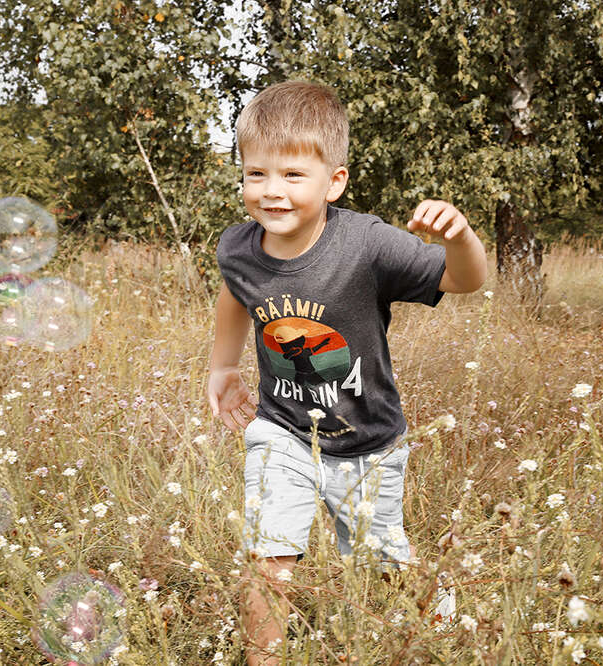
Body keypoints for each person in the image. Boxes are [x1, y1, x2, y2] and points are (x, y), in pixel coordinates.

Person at [207, 80, 488, 665]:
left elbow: (465, 280)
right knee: (267, 556)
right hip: (282, 431)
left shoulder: (368, 244)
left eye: (292, 174)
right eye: (256, 173)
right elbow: (235, 293)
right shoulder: (238, 247)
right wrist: (224, 365)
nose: (271, 190)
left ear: (334, 181)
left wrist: (460, 237)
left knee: (381, 562)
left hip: (367, 442)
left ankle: (440, 616)